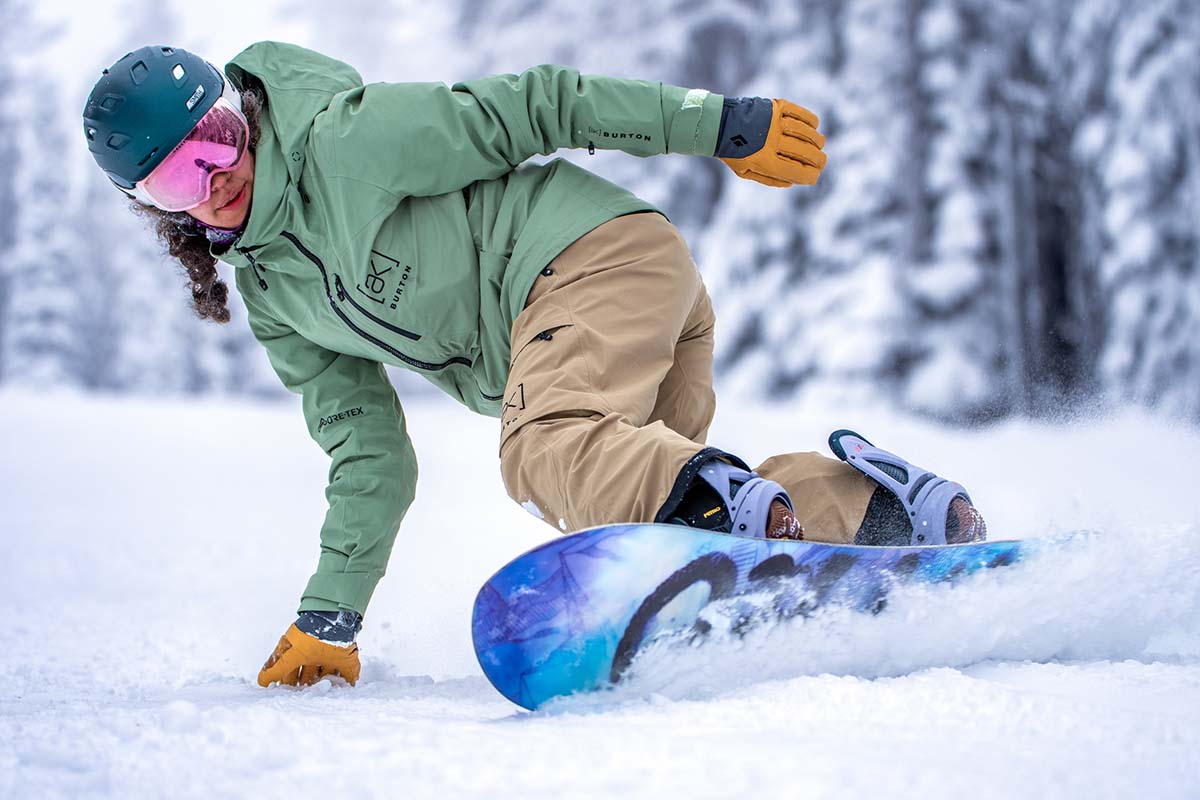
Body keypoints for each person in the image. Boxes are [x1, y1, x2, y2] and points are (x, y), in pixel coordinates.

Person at [83, 42, 986, 688]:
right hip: (623, 305)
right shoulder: (278, 301)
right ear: (153, 209)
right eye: (179, 178)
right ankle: (883, 512)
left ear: (242, 112)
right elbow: (369, 456)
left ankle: (725, 505)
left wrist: (717, 124)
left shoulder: (346, 140)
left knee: (546, 447)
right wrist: (331, 614)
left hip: (591, 259)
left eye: (221, 138)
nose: (219, 175)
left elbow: (538, 103)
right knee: (648, 506)